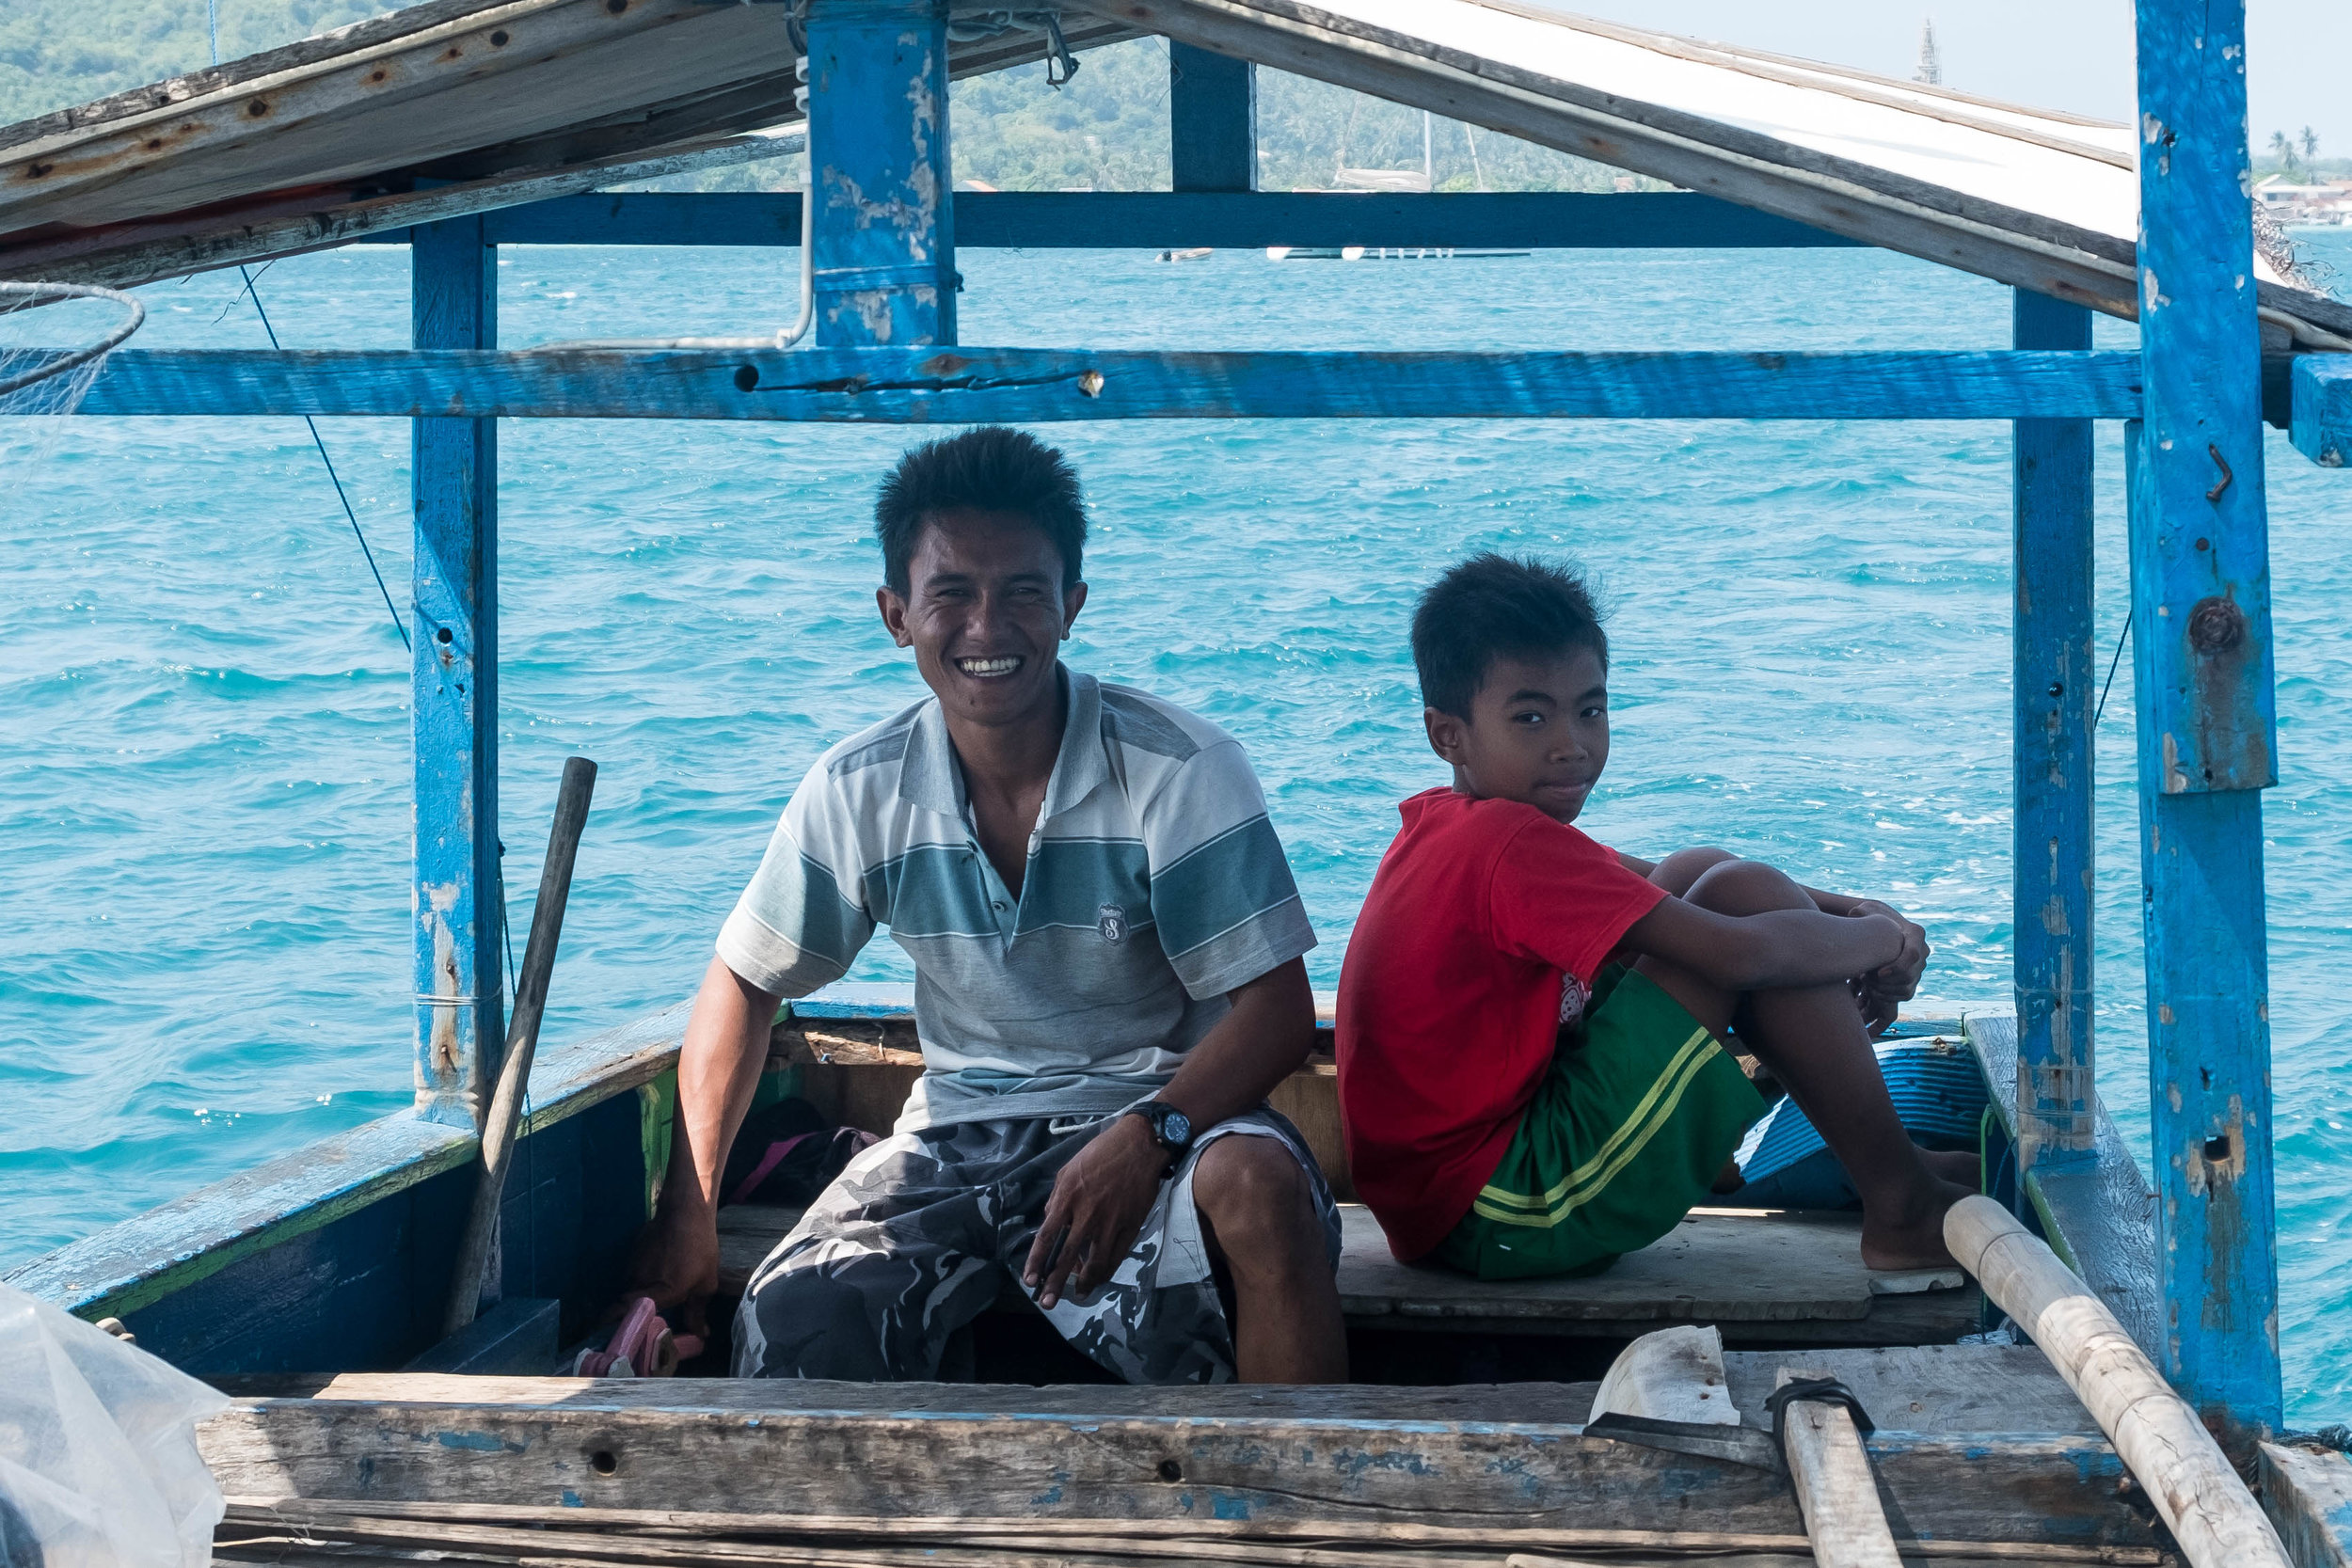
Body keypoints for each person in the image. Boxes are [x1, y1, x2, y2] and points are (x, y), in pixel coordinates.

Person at [629, 426, 1346, 1385]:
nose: (987, 628)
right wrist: (692, 1208)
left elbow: (1277, 1013)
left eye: (1022, 592)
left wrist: (1150, 1132)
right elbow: (747, 978)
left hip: (1173, 1120)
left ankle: (1291, 1513)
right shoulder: (859, 785)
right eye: (951, 594)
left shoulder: (1177, 766)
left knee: (1258, 1192)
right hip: (955, 1131)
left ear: (1071, 607)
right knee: (795, 1309)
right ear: (896, 614)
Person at [1335, 553, 1977, 1282]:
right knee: (1738, 899)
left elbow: (1656, 881)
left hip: (1448, 1206)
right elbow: (1736, 953)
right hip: (1503, 1209)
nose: (1570, 743)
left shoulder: (1459, 824)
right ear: (1448, 734)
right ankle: (1901, 1204)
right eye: (1532, 716)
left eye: (1591, 709)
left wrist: (1855, 910)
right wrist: (1882, 937)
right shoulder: (1505, 843)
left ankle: (1890, 1169)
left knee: (1698, 870)